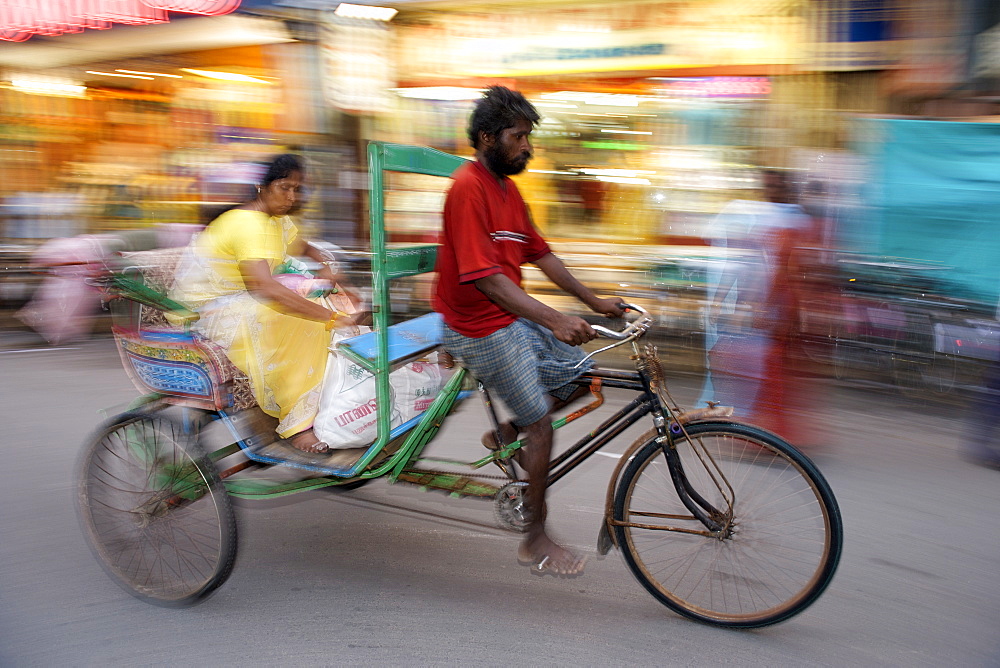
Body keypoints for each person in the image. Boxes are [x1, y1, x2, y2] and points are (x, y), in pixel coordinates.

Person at [434, 86, 624, 576]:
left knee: (585, 374)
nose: (527, 147)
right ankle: (534, 536)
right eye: (519, 137)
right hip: (475, 327)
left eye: (528, 137)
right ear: (487, 137)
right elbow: (488, 282)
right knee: (541, 424)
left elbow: (540, 253)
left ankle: (506, 434)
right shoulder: (467, 189)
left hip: (507, 318)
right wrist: (555, 319)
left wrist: (594, 303)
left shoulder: (509, 191)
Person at [169, 154, 354, 454]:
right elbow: (265, 287)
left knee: (326, 302)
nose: (291, 196)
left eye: (297, 189)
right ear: (261, 187)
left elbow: (303, 246)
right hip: (211, 312)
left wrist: (327, 264)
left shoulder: (276, 221)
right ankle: (297, 425)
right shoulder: (248, 224)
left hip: (243, 300)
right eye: (284, 187)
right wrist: (327, 317)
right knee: (300, 319)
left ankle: (324, 406)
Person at [699, 169, 814, 443]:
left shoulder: (785, 224)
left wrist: (753, 305)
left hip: (775, 308)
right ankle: (766, 429)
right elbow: (746, 267)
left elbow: (775, 271)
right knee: (764, 370)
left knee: (766, 370)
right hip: (771, 307)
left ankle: (766, 431)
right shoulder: (774, 222)